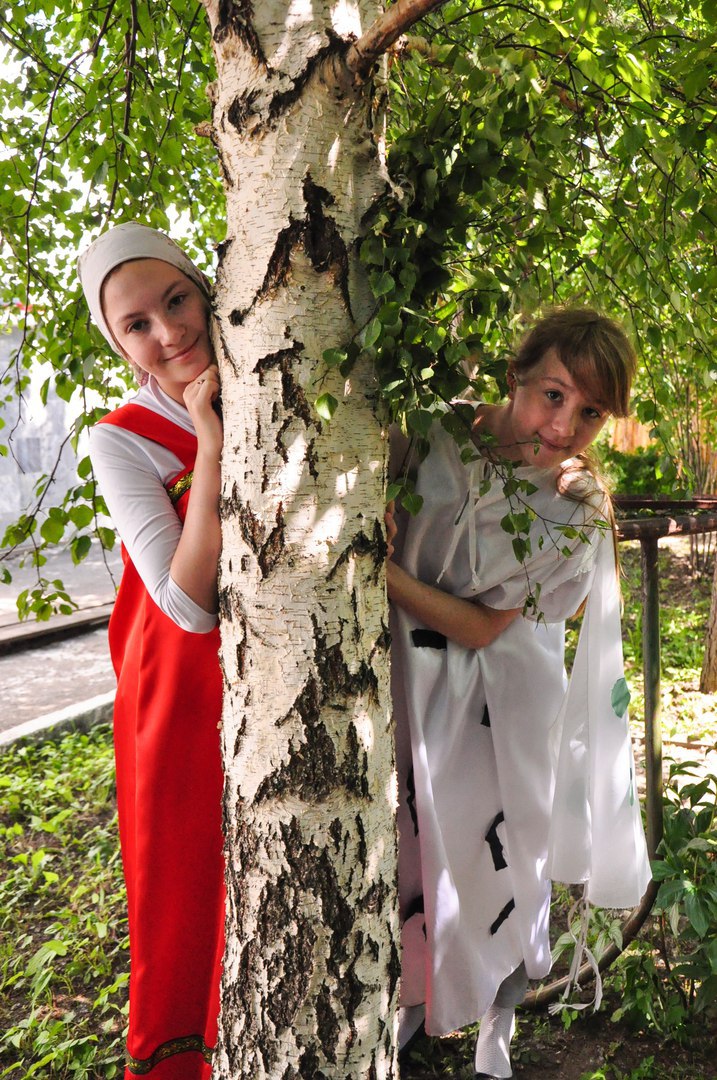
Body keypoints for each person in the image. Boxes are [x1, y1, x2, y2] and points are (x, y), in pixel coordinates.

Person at [387, 307, 652, 1079]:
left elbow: (480, 627)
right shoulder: (430, 434)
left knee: (505, 857)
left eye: (589, 412)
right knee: (414, 850)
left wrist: (377, 573)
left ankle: (495, 1024)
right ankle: (409, 1009)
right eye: (552, 395)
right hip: (409, 679)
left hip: (506, 697)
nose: (564, 426)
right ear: (515, 377)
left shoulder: (573, 509)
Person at [78, 222, 225, 1080]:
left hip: (288, 669)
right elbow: (185, 604)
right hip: (177, 688)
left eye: (177, 300)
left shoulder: (287, 376)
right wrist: (212, 441)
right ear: (118, 342)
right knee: (185, 879)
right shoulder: (121, 436)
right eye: (137, 323)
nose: (169, 332)